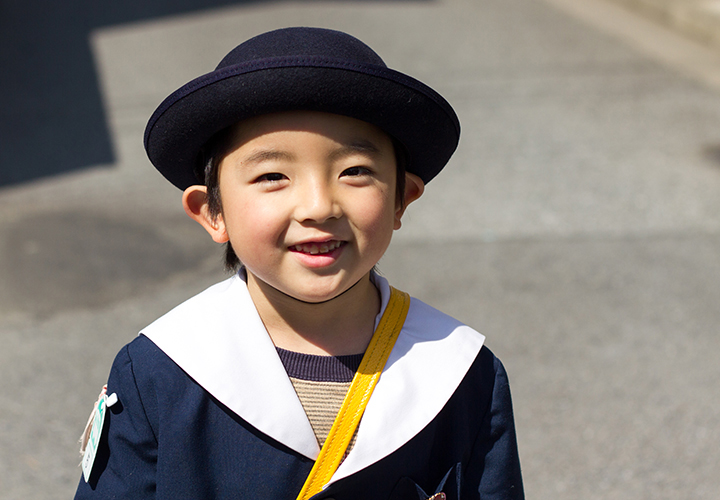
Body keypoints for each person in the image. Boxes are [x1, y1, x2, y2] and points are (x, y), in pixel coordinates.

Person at [74, 27, 524, 500]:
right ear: (213, 212)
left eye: (355, 171)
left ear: (401, 199)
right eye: (272, 176)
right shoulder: (158, 372)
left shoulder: (463, 373)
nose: (318, 206)